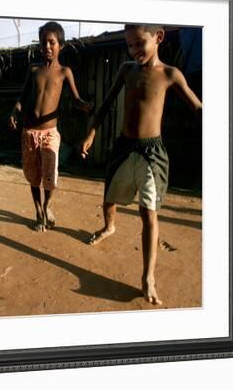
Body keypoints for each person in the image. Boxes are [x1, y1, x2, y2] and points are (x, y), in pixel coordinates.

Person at [80, 24, 202, 305]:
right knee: (109, 199)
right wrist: (91, 131)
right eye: (130, 45)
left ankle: (148, 276)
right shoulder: (126, 70)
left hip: (152, 153)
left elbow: (196, 106)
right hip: (124, 146)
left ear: (158, 38)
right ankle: (109, 226)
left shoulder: (170, 74)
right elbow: (108, 102)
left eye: (139, 43)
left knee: (149, 213)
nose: (134, 50)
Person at [9, 21, 92, 232]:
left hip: (50, 133)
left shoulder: (65, 72)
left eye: (51, 42)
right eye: (43, 42)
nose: (47, 46)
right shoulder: (34, 69)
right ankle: (38, 212)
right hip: (29, 131)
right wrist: (14, 110)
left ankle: (47, 205)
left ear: (60, 45)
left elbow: (75, 99)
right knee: (33, 175)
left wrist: (84, 106)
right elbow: (23, 95)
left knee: (50, 174)